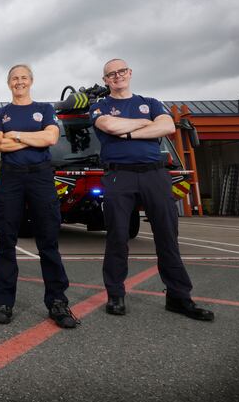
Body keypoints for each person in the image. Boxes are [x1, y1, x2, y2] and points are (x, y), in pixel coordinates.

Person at [90, 58, 214, 321]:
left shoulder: (152, 101)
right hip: (118, 175)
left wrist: (128, 131)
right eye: (111, 74)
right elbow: (109, 126)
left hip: (154, 175)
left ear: (130, 73)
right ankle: (115, 295)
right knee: (117, 237)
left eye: (121, 71)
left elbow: (168, 126)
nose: (117, 76)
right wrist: (146, 124)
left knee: (167, 236)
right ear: (105, 80)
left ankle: (179, 297)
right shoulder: (100, 106)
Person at [0, 65, 80, 328]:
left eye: (24, 78)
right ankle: (4, 302)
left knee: (48, 240)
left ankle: (57, 302)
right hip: (11, 177)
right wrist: (33, 137)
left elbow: (50, 138)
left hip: (40, 176)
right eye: (15, 78)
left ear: (31, 81)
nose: (19, 82)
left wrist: (15, 135)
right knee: (6, 240)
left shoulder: (46, 109)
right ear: (9, 83)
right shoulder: (0, 113)